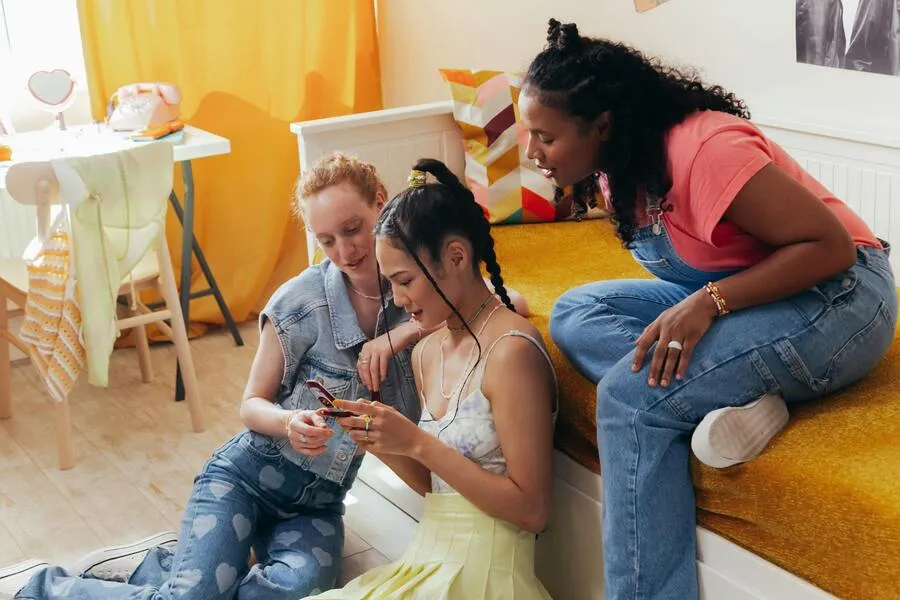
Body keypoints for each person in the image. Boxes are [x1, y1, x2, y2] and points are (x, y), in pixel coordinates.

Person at [520, 19, 897, 600]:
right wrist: (709, 301)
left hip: (841, 298)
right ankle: (726, 396)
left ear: (601, 126)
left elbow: (831, 248)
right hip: (755, 290)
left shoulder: (707, 153)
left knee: (631, 398)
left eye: (545, 137)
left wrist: (711, 301)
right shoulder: (619, 163)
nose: (531, 151)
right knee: (576, 311)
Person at [2, 153, 423, 599]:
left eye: (353, 229)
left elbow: (496, 300)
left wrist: (397, 336)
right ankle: (45, 588)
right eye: (326, 240)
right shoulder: (300, 302)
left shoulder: (416, 290)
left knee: (289, 592)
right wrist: (287, 423)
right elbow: (250, 405)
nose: (344, 250)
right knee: (192, 599)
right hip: (241, 482)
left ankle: (168, 568)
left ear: (381, 202)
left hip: (316, 510)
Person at [305, 159, 558, 599]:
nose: (399, 300)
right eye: (391, 284)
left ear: (456, 256)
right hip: (427, 564)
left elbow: (532, 511)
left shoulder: (512, 352)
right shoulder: (426, 353)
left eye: (404, 282)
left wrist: (416, 442)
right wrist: (382, 443)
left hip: (489, 580)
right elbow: (438, 489)